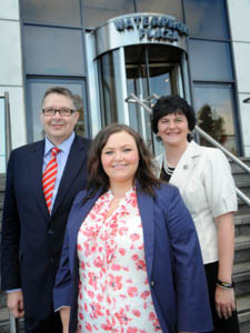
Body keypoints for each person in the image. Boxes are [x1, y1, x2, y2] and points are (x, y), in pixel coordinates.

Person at [53, 123, 213, 333]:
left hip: (145, 324)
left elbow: (188, 267)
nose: (118, 158)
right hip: (89, 324)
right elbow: (67, 265)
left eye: (126, 150)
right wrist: (67, 324)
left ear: (140, 154)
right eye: (109, 152)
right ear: (99, 159)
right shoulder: (83, 200)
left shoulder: (166, 197)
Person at [1, 86, 91, 332]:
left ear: (76, 116)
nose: (57, 116)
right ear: (41, 116)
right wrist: (12, 286)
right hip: (34, 288)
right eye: (50, 110)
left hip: (83, 285)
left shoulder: (95, 154)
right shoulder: (19, 158)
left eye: (64, 110)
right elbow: (10, 226)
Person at [151, 95, 240, 333]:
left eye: (178, 119)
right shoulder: (151, 166)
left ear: (189, 125)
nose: (172, 126)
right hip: (169, 269)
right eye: (164, 120)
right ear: (156, 129)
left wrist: (224, 283)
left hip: (206, 267)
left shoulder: (210, 158)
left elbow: (225, 221)